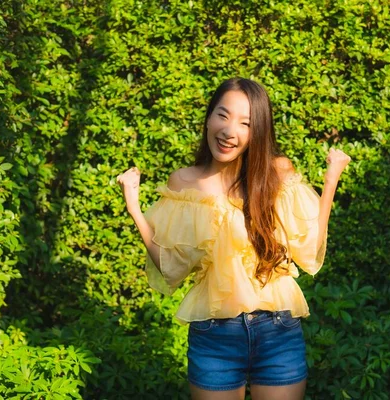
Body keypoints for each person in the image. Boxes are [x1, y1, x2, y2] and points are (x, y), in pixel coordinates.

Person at [117, 77, 351, 400]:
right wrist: (134, 207)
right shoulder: (186, 183)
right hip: (215, 339)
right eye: (222, 115)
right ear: (209, 118)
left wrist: (331, 180)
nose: (229, 131)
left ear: (259, 132)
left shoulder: (277, 174)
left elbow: (309, 248)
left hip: (278, 333)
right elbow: (172, 267)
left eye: (245, 123)